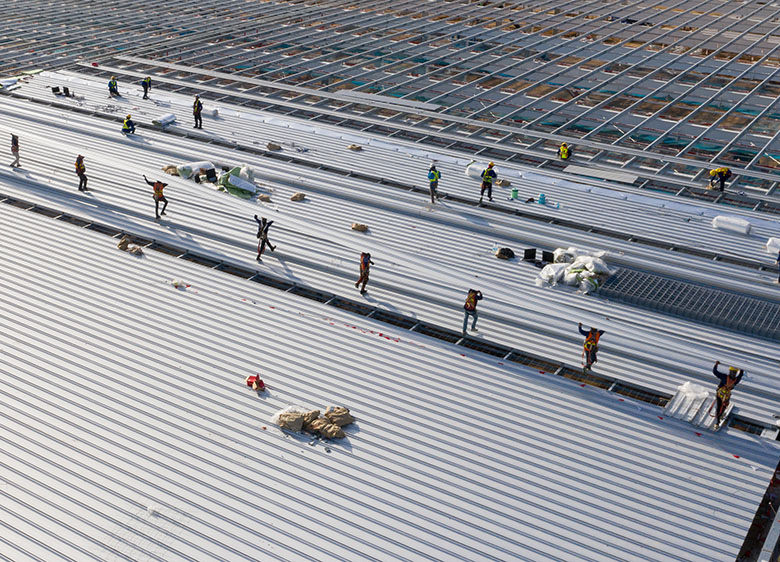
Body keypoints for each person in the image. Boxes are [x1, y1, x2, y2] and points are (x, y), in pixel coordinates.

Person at [712, 361, 744, 429]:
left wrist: (742, 369)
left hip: (726, 396)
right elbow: (715, 372)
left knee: (723, 407)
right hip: (720, 394)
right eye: (733, 372)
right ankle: (717, 421)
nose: (733, 374)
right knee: (719, 407)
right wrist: (716, 364)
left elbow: (740, 375)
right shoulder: (725, 377)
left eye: (735, 373)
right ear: (730, 372)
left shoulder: (735, 380)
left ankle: (719, 418)